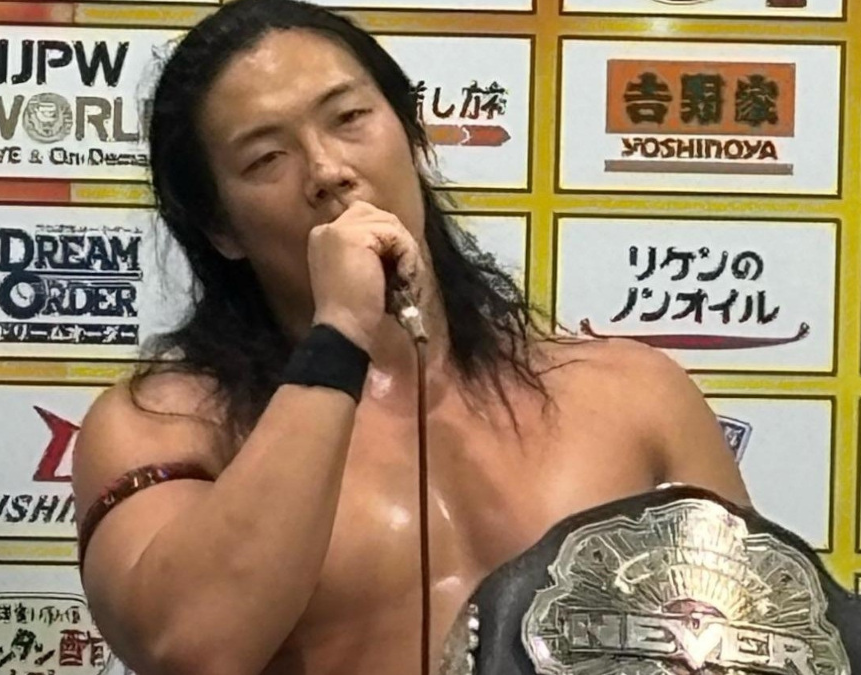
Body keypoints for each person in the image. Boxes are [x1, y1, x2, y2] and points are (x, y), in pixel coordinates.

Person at [70, 0, 752, 673]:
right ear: (220, 229)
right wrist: (340, 335)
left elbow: (761, 637)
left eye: (350, 118)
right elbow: (193, 646)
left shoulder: (634, 395)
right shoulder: (161, 425)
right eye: (266, 157)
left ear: (414, 137)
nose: (327, 170)